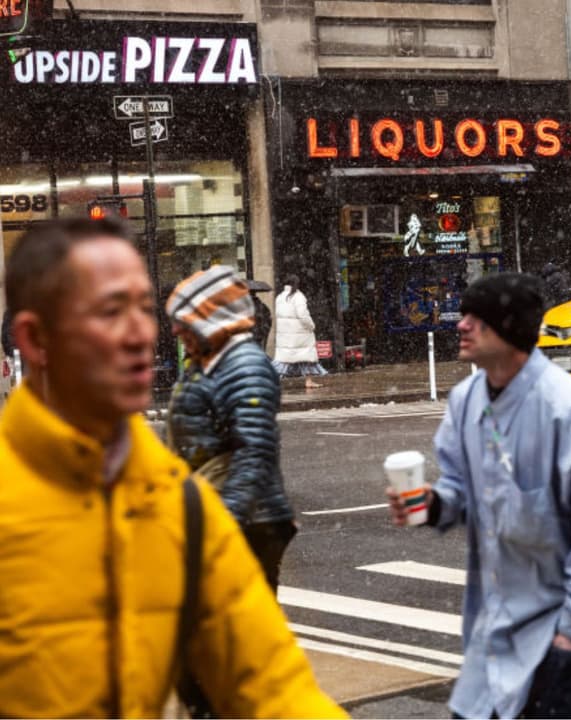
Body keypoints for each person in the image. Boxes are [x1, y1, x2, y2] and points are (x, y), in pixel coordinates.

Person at [0, 218, 343, 718]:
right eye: (110, 310)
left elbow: (276, 688)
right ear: (35, 339)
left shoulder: (186, 509)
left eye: (143, 308)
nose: (142, 332)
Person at [384, 272, 571, 719]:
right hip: (497, 623)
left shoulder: (568, 409)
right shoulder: (466, 400)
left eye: (477, 317)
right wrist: (433, 504)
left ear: (508, 330)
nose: (461, 324)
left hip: (564, 624)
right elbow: (459, 486)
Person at [166, 265, 298, 591]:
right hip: (216, 510)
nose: (175, 331)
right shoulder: (205, 360)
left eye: (184, 322)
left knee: (241, 623)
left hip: (253, 522)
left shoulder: (245, 365)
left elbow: (254, 452)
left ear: (210, 319)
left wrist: (228, 519)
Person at [273, 273, 326, 389]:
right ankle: (309, 381)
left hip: (285, 334)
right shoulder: (298, 296)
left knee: (283, 360)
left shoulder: (280, 297)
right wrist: (311, 326)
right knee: (306, 357)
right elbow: (303, 315)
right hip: (300, 334)